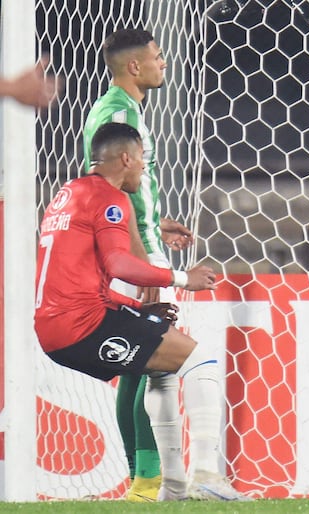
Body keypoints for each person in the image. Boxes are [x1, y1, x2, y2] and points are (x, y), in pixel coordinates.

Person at [35, 122, 246, 501]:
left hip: (57, 325)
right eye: (143, 163)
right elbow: (119, 264)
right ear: (126, 158)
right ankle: (206, 477)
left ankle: (171, 488)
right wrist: (183, 277)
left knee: (163, 362)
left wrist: (135, 306)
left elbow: (82, 279)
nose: (144, 171)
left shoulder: (67, 194)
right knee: (200, 362)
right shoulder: (110, 198)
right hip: (81, 325)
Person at [82, 29, 225, 501]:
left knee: (141, 368)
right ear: (135, 67)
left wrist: (154, 222)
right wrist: (142, 263)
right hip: (135, 256)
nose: (165, 63)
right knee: (151, 365)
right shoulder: (119, 112)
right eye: (158, 57)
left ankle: (148, 480)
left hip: (139, 244)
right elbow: (110, 192)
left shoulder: (121, 110)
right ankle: (152, 480)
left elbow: (124, 189)